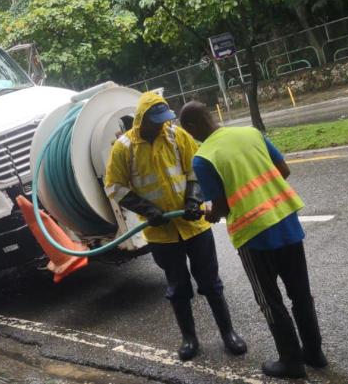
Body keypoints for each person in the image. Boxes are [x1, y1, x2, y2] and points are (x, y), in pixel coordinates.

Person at [178, 101, 328, 379]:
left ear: (191, 127)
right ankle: (315, 354)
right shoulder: (251, 133)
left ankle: (290, 361)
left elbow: (220, 207)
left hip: (254, 235)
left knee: (270, 301)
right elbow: (283, 170)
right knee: (300, 294)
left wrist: (209, 213)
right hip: (286, 220)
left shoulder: (204, 158)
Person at [105, 92, 247, 361]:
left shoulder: (175, 135)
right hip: (161, 233)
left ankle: (228, 334)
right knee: (177, 287)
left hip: (194, 226)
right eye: (156, 121)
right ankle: (189, 339)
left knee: (211, 283)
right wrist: (148, 210)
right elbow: (114, 186)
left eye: (164, 120)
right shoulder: (124, 148)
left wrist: (194, 198)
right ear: (141, 120)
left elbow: (195, 168)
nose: (162, 125)